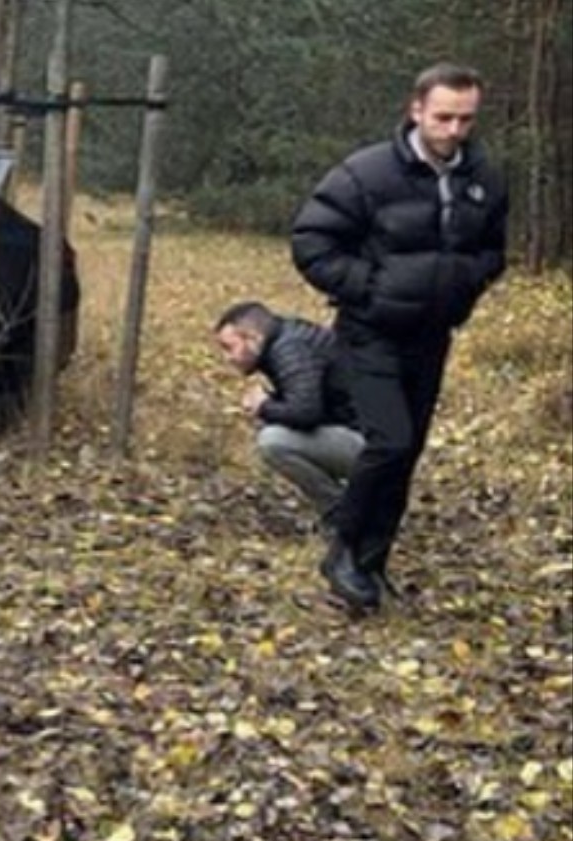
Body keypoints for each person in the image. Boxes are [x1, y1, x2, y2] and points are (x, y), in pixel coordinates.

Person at [291, 62, 508, 612]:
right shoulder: (367, 173)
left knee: (406, 453)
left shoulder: (482, 177)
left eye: (466, 119)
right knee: (388, 441)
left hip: (432, 335)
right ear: (416, 110)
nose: (454, 130)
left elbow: (492, 249)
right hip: (369, 333)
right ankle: (342, 547)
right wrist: (368, 288)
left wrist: (466, 284)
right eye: (443, 117)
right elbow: (311, 241)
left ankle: (369, 568)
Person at [212, 301, 363, 525]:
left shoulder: (290, 350)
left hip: (372, 448)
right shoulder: (287, 339)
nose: (227, 358)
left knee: (273, 441)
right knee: (275, 428)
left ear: (253, 338)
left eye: (229, 347)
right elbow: (315, 401)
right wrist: (271, 402)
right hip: (370, 436)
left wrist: (264, 406)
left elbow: (306, 413)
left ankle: (345, 514)